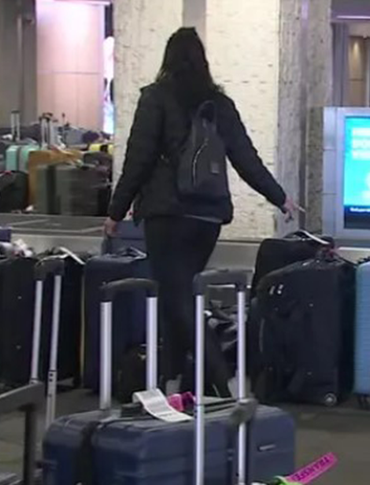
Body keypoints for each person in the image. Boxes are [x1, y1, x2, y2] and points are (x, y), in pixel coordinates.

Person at [104, 27, 297, 389]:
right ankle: (173, 385)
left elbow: (138, 160)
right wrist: (279, 196)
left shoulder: (156, 99)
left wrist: (116, 211)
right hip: (207, 219)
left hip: (167, 216)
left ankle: (224, 388)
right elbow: (245, 158)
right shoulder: (219, 105)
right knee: (175, 298)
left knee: (178, 302)